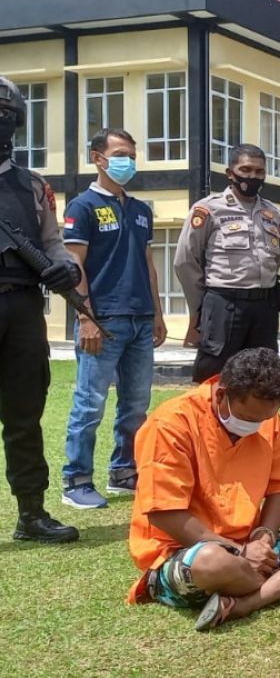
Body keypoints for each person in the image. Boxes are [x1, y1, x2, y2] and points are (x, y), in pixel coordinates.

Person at [126, 348, 280, 631]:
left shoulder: (265, 416)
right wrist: (239, 551)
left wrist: (264, 537)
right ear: (222, 395)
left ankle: (246, 604)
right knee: (212, 561)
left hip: (253, 548)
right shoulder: (170, 424)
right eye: (249, 419)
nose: (255, 426)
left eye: (263, 419)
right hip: (182, 552)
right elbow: (164, 513)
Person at [60, 128, 167, 510]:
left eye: (132, 154)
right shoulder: (82, 207)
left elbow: (149, 265)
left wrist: (156, 313)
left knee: (136, 404)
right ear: (98, 158)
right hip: (102, 320)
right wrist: (85, 317)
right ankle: (76, 480)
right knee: (90, 404)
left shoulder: (140, 209)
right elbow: (74, 266)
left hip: (140, 319)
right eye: (121, 153)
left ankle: (125, 472)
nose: (128, 162)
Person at [0, 77, 84, 543]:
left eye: (6, 113)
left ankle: (30, 513)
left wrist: (66, 269)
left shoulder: (33, 185)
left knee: (24, 414)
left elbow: (53, 244)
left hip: (24, 309)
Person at [175, 144, 280, 383]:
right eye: (245, 169)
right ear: (229, 172)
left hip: (264, 306)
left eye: (259, 171)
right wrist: (201, 307)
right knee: (214, 377)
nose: (252, 176)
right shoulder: (208, 209)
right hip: (224, 303)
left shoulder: (274, 213)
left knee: (264, 377)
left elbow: (276, 258)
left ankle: (257, 422)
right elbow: (185, 260)